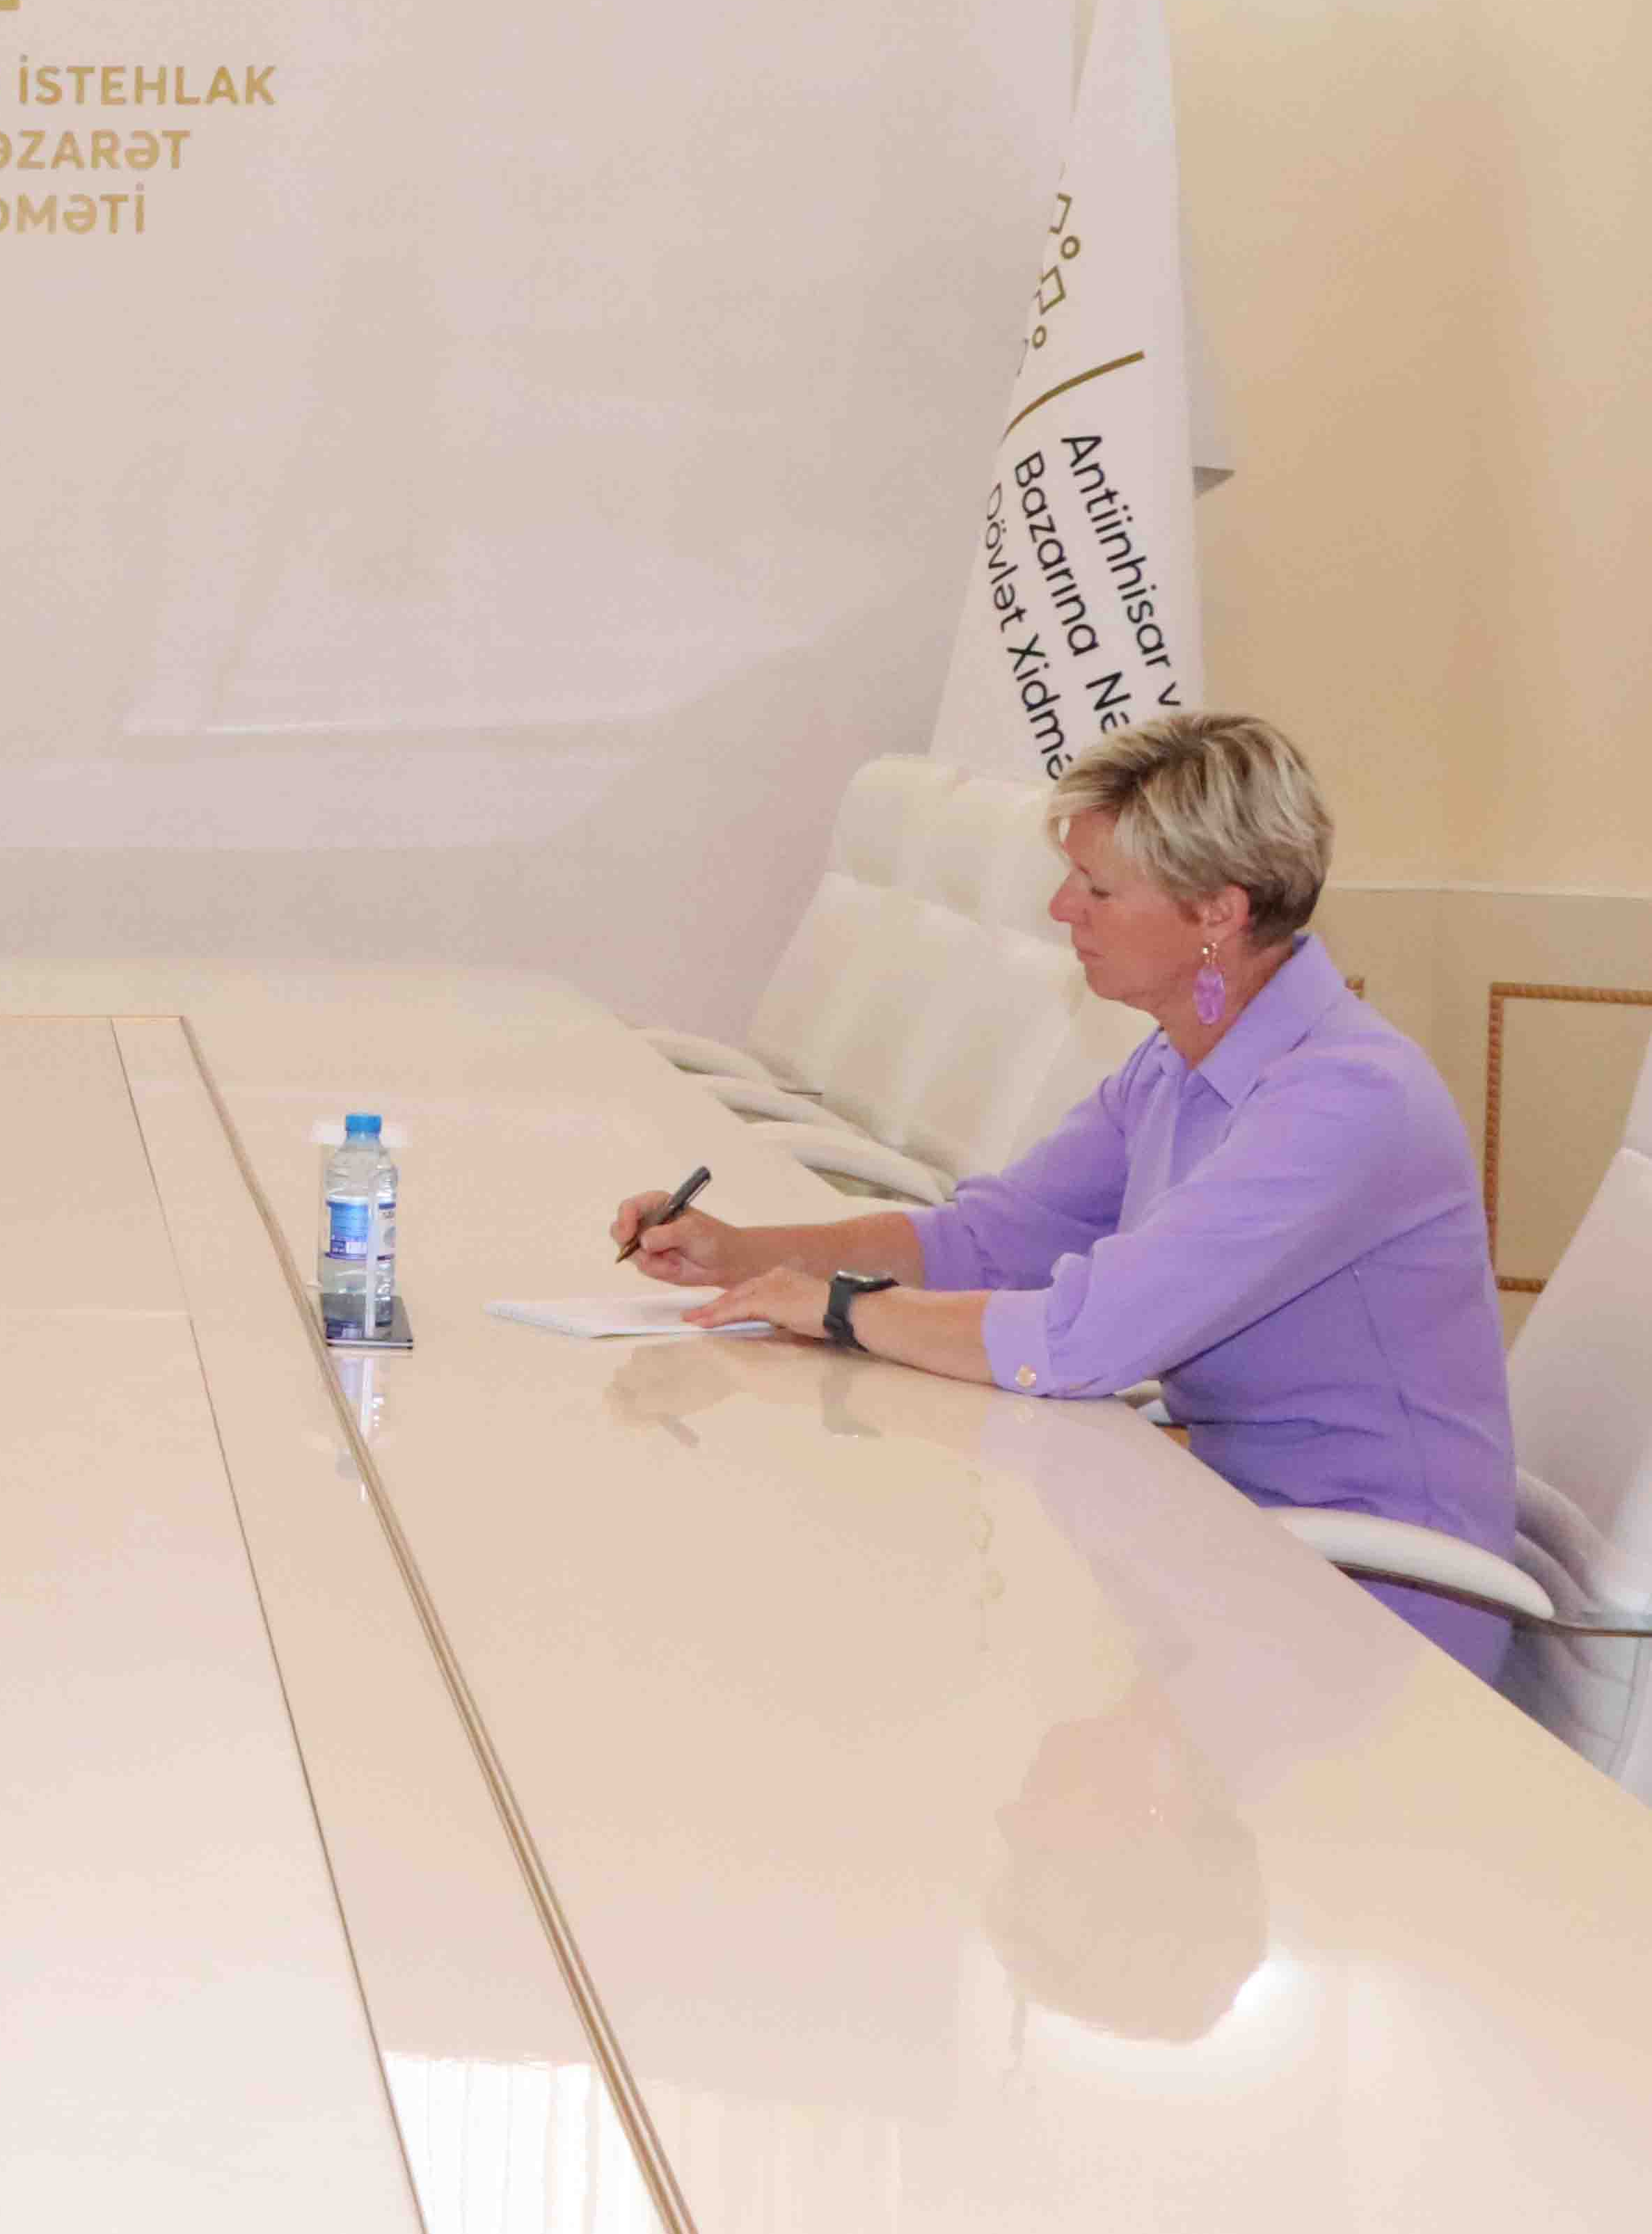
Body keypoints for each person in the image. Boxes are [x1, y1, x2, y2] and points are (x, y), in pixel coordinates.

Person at [614, 713, 1515, 1673]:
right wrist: (745, 1253)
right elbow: (987, 1238)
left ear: (1217, 912)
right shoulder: (1175, 1063)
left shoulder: (1346, 1098)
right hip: (1232, 1542)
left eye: (1097, 886)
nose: (1058, 907)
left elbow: (1083, 1337)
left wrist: (840, 1307)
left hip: (1373, 1608)